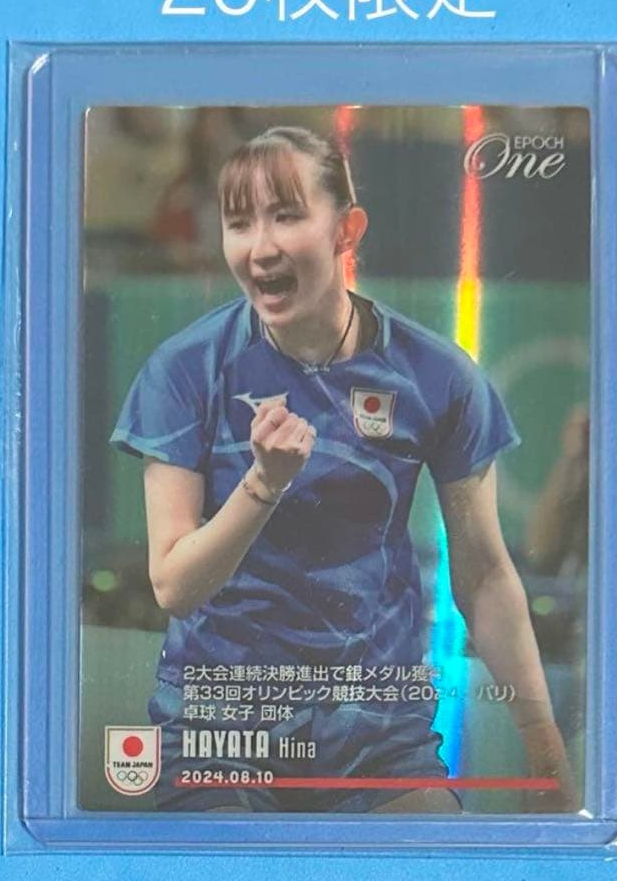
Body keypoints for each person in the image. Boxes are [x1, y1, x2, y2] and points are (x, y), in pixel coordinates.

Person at [111, 126, 578, 814]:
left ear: (346, 229)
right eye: (239, 224)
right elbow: (173, 585)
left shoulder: (438, 376)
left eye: (286, 216)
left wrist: (544, 749)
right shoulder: (184, 370)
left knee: (434, 844)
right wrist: (263, 485)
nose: (260, 246)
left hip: (376, 734)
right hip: (220, 727)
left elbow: (482, 575)